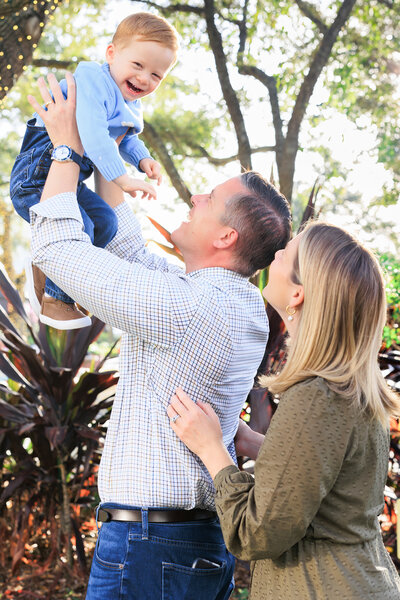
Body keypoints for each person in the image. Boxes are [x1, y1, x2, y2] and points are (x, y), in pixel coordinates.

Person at [26, 72, 291, 599]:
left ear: (225, 236)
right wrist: (110, 146)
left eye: (208, 198)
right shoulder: (227, 300)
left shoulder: (188, 306)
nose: (194, 194)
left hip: (151, 547)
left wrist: (65, 150)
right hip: (180, 542)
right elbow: (129, 251)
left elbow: (56, 249)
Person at [168, 222, 400, 599]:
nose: (275, 253)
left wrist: (211, 450)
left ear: (297, 293)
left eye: (286, 253)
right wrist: (258, 444)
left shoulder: (316, 397)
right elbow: (327, 472)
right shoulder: (350, 387)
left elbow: (256, 534)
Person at [10, 12, 179, 330]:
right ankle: (56, 299)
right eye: (138, 65)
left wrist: (144, 161)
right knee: (83, 225)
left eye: (157, 75)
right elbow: (95, 136)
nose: (145, 79)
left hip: (69, 181)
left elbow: (125, 138)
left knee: (105, 223)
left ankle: (48, 269)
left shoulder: (128, 102)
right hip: (38, 174)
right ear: (111, 54)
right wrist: (123, 178)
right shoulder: (91, 81)